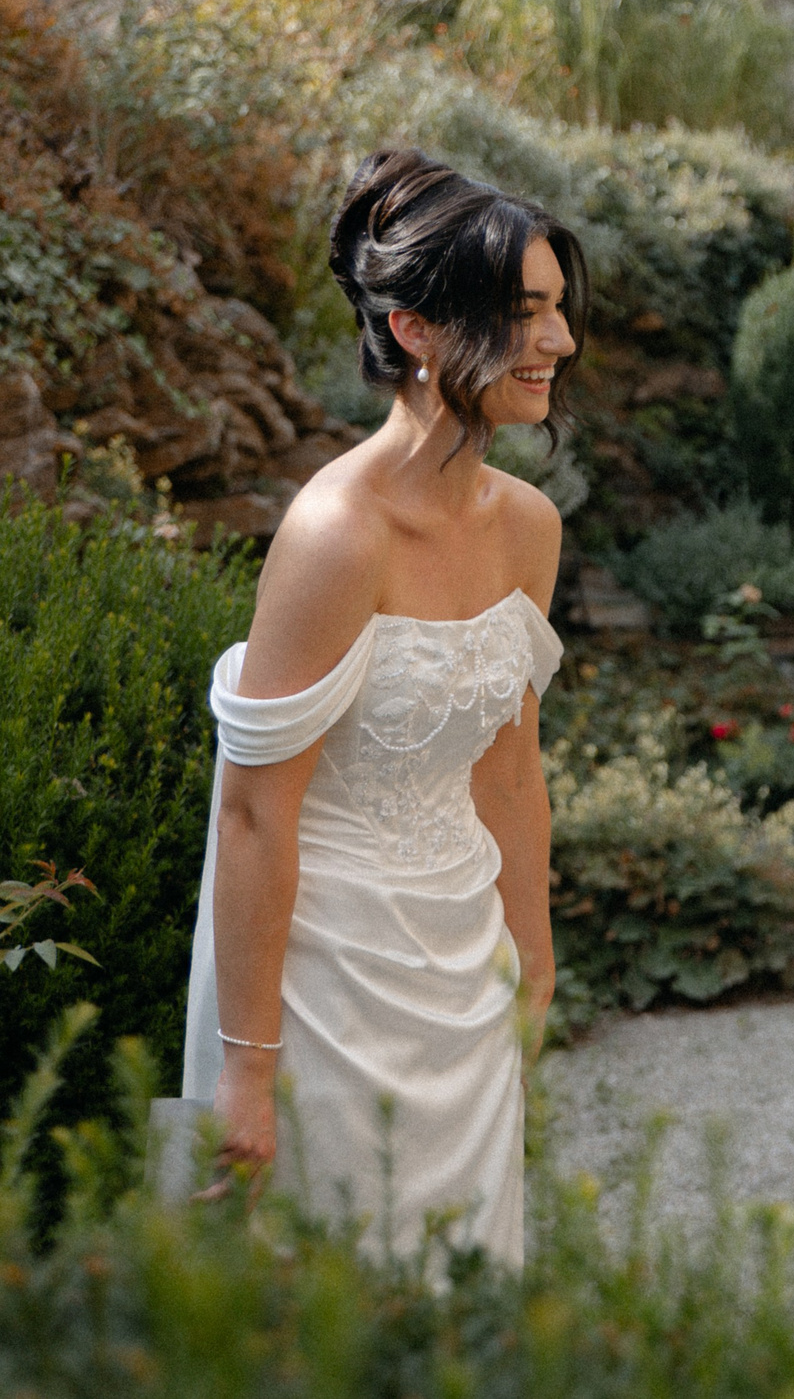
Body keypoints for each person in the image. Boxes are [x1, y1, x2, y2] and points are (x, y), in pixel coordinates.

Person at [178, 147, 586, 1263]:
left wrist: (534, 966)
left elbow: (510, 770)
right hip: (324, 983)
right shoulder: (334, 536)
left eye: (556, 309)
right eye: (521, 313)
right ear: (414, 329)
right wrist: (246, 1073)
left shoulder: (529, 528)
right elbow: (254, 813)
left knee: (469, 1294)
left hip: (466, 971)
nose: (557, 341)